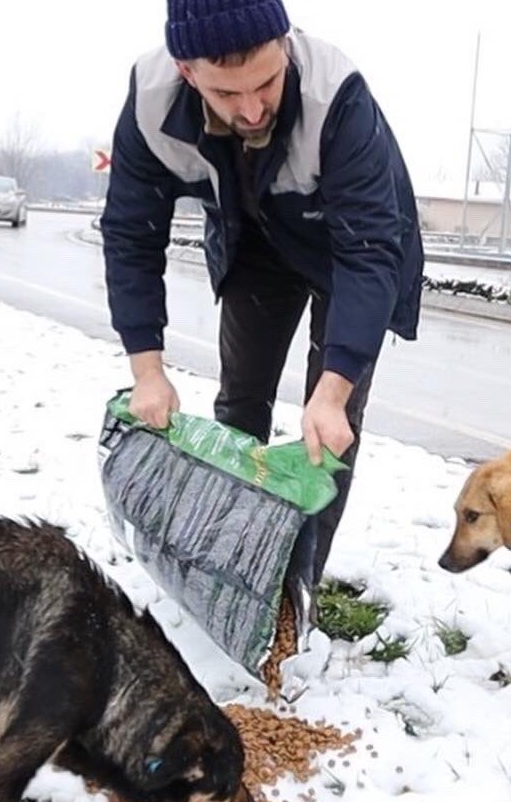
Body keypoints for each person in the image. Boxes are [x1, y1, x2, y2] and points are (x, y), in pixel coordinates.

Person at [100, 0, 423, 589]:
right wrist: (147, 371)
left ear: (286, 46)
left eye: (267, 83)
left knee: (328, 428)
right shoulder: (150, 100)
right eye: (226, 94)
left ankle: (293, 591)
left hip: (349, 250)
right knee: (241, 401)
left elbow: (371, 252)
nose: (251, 109)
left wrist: (334, 388)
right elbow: (130, 234)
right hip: (257, 241)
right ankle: (231, 561)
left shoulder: (337, 96)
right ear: (187, 71)